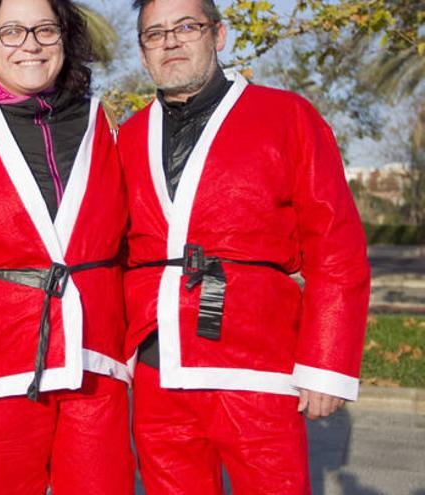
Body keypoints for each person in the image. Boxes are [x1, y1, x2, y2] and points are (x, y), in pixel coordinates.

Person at [118, 0, 370, 493]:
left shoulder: (286, 115)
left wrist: (327, 362)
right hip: (158, 366)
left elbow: (335, 243)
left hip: (257, 362)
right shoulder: (127, 135)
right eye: (155, 33)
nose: (171, 40)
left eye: (186, 26)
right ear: (144, 52)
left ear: (219, 34)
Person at [0, 0, 135, 493]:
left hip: (96, 364)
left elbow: (137, 241)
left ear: (65, 42)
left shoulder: (106, 128)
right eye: (11, 31)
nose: (30, 44)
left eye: (46, 30)